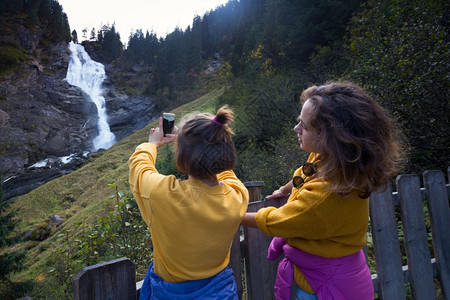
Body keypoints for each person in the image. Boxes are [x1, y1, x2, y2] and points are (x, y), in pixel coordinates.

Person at [241, 81, 405, 300]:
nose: (296, 129)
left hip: (328, 290)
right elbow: (305, 173)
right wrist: (285, 188)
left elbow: (278, 220)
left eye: (304, 126)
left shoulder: (328, 195)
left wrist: (235, 216)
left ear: (331, 137)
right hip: (331, 278)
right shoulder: (333, 160)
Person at [129, 106, 249, 299]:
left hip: (170, 293)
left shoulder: (162, 194)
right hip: (220, 292)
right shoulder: (237, 195)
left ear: (182, 157)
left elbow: (139, 168)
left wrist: (152, 144)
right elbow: (225, 173)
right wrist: (191, 144)